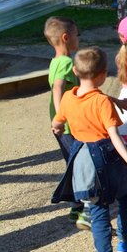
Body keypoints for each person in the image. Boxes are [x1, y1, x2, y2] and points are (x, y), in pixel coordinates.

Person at [51, 47, 127, 252]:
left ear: (75, 71)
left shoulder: (68, 97)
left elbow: (58, 122)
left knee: (98, 211)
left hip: (83, 158)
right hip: (108, 157)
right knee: (126, 196)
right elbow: (114, 135)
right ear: (103, 75)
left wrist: (58, 128)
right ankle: (125, 241)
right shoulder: (102, 102)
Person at [45, 16, 89, 230]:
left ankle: (76, 206)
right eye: (76, 35)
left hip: (63, 124)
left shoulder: (55, 61)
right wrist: (61, 116)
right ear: (65, 37)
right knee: (82, 164)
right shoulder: (66, 63)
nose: (78, 38)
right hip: (69, 125)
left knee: (73, 163)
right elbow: (58, 87)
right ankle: (86, 210)